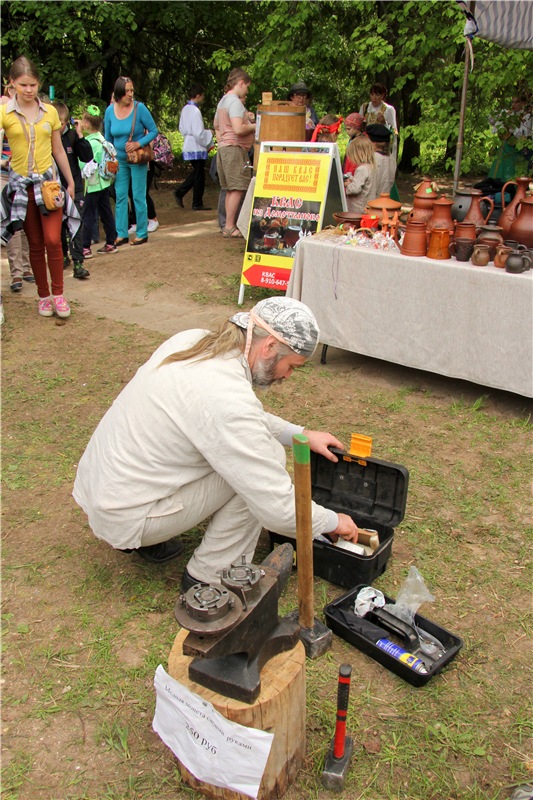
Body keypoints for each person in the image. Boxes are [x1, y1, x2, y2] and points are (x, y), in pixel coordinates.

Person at [73, 297, 359, 589]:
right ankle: (212, 577)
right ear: (270, 346)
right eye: (291, 366)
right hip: (128, 513)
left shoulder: (193, 341)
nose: (287, 375)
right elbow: (276, 507)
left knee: (247, 452)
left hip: (104, 491)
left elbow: (236, 417)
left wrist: (300, 434)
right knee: (268, 458)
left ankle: (147, 537)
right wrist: (332, 522)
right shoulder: (225, 399)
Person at [0, 56, 80, 319]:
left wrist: (70, 182)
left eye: (33, 85)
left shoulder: (50, 112)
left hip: (49, 186)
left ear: (39, 84)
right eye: (23, 85)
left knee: (53, 239)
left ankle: (59, 294)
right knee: (34, 244)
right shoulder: (4, 113)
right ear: (12, 83)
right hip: (21, 187)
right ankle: (44, 296)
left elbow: (58, 149)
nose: (28, 90)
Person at [104, 76, 157, 246]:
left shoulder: (139, 108)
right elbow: (108, 137)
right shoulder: (110, 111)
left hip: (136, 159)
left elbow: (154, 130)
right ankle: (121, 233)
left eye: (132, 90)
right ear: (119, 92)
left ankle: (142, 232)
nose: (130, 94)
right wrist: (110, 157)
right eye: (126, 91)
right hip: (119, 160)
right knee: (120, 195)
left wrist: (138, 143)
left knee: (138, 195)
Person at [214, 68, 256, 239]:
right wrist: (256, 125)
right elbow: (238, 129)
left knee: (231, 189)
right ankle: (230, 226)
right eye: (247, 87)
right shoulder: (234, 102)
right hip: (234, 149)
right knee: (237, 188)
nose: (247, 91)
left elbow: (216, 125)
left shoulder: (223, 101)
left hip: (225, 148)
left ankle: (227, 225)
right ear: (241, 83)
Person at [52, 101, 92, 279]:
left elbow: (87, 157)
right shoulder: (47, 137)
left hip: (74, 187)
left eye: (63, 123)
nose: (60, 126)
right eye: (57, 123)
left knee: (76, 224)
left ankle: (78, 262)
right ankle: (63, 256)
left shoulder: (71, 136)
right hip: (54, 189)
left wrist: (80, 136)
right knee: (59, 226)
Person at [0, 82, 33, 292]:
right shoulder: (4, 110)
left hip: (26, 174)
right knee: (12, 222)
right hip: (5, 175)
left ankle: (28, 267)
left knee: (26, 222)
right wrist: (3, 161)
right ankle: (17, 272)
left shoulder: (30, 112)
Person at [79, 106, 118, 257]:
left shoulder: (89, 142)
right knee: (106, 213)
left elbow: (83, 163)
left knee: (88, 215)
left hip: (93, 183)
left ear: (87, 123)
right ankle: (111, 242)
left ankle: (85, 247)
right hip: (104, 182)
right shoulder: (101, 139)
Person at [175, 83, 214, 211]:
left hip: (189, 142)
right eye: (202, 95)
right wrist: (209, 133)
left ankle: (183, 193)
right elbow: (198, 132)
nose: (203, 98)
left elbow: (181, 128)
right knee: (199, 174)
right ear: (197, 96)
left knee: (198, 172)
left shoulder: (185, 109)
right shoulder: (195, 111)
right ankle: (195, 201)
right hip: (196, 145)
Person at [360, 83, 399, 200]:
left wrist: (384, 123)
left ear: (383, 96)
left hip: (380, 146)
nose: (374, 98)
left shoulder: (388, 109)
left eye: (377, 95)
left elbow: (394, 131)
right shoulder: (365, 107)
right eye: (372, 94)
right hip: (366, 144)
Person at [488, 93, 533, 182]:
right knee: (501, 163)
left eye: (517, 102)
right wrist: (499, 116)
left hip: (518, 148)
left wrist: (512, 127)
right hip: (505, 146)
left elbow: (524, 133)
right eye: (512, 102)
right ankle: (498, 182)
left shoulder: (526, 116)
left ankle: (511, 184)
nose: (514, 104)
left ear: (523, 103)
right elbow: (492, 120)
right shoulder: (508, 113)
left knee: (514, 169)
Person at [344, 136, 377, 214]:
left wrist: (347, 185)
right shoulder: (371, 167)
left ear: (357, 154)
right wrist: (352, 180)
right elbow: (364, 183)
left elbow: (355, 189)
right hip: (368, 206)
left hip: (358, 210)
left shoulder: (361, 169)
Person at [128, 160, 159, 234]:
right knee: (131, 192)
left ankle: (153, 219)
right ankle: (136, 222)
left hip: (144, 162)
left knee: (142, 193)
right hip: (130, 163)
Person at [366, 123, 395, 196]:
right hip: (385, 199)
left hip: (372, 200)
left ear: (372, 142)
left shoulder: (371, 158)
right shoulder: (391, 159)